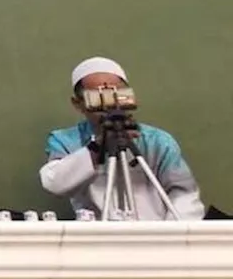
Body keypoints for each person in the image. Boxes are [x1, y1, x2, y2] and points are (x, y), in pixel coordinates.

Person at [39, 57, 205, 220]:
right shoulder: (65, 140)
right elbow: (54, 183)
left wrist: (171, 237)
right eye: (97, 96)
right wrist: (96, 147)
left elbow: (185, 196)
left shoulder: (157, 141)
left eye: (116, 93)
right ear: (78, 103)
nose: (109, 102)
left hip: (153, 235)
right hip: (97, 237)